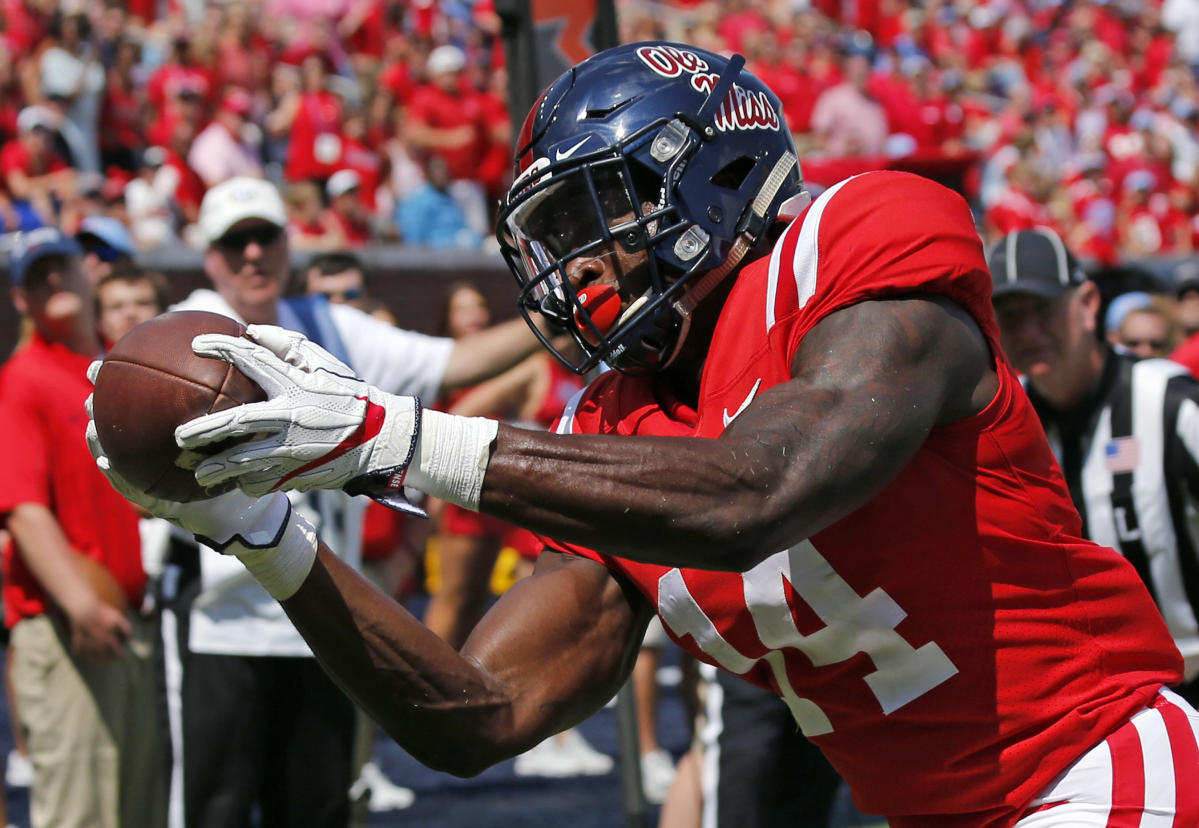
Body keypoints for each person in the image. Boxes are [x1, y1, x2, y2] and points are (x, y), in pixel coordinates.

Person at [92, 44, 1199, 826]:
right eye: (545, 237)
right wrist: (268, 536)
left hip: (1093, 770)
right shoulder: (616, 425)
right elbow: (476, 714)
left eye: (587, 217)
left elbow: (763, 488)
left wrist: (387, 437)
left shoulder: (858, 241)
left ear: (710, 172)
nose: (567, 266)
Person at [151, 175, 545, 828]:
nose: (253, 253)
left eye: (265, 236)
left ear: (287, 243)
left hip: (321, 615)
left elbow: (454, 361)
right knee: (211, 812)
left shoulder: (325, 326)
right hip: (220, 622)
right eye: (235, 241)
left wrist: (553, 311)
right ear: (210, 255)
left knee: (318, 811)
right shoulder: (181, 337)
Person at [988, 226, 1199, 704]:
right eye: (1009, 316)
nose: (1028, 331)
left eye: (1042, 309)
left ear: (1087, 304)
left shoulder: (1169, 403)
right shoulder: (1005, 430)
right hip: (1096, 704)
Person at [1, 227, 165, 828]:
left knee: (139, 810)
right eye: (34, 274)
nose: (51, 280)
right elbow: (21, 508)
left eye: (59, 265)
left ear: (88, 272)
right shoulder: (24, 377)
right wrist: (80, 605)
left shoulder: (114, 367)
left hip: (132, 621)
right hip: (71, 626)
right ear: (20, 298)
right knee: (81, 815)